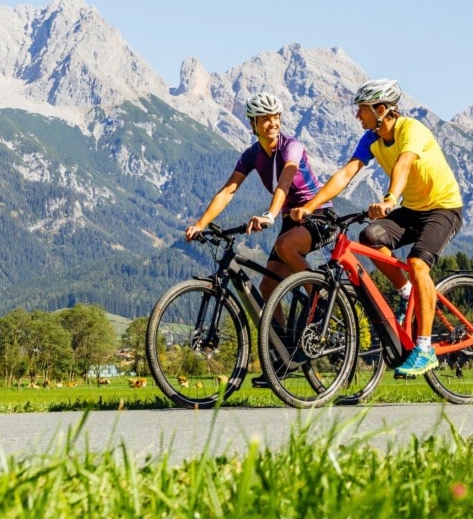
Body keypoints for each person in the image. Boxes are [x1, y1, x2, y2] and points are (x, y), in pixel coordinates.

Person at [290, 78, 463, 378]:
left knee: (418, 262)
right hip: (413, 209)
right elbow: (347, 173)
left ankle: (424, 348)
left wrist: (389, 199)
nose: (358, 115)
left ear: (381, 109)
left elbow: (404, 164)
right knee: (370, 237)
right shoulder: (371, 138)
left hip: (443, 208)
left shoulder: (411, 130)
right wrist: (311, 205)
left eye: (362, 110)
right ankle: (408, 292)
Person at [185, 92, 336, 386]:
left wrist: (269, 214)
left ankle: (320, 297)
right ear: (253, 123)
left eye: (276, 117)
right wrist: (201, 223)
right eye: (265, 119)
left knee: (284, 245)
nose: (272, 123)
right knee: (268, 288)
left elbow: (286, 179)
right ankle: (282, 357)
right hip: (290, 220)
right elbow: (229, 190)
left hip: (317, 216)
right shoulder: (252, 154)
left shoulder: (291, 146)